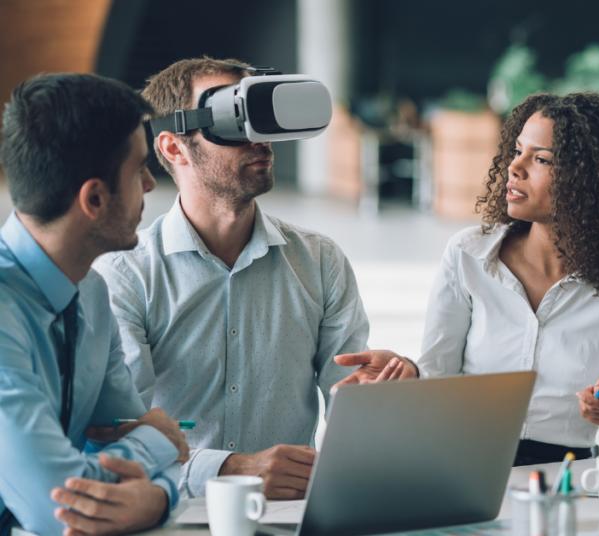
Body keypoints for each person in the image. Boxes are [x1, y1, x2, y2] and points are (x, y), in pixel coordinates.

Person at [93, 58, 412, 500]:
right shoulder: (126, 276)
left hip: (292, 512)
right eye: (231, 119)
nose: (258, 139)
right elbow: (118, 430)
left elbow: (350, 405)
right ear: (173, 148)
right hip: (176, 514)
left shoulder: (320, 261)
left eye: (259, 118)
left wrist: (384, 394)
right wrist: (229, 470)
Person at [336, 93, 599, 465]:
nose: (515, 167)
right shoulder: (469, 255)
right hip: (461, 459)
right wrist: (408, 374)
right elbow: (438, 377)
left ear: (593, 181)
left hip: (566, 471)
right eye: (517, 151)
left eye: (541, 159)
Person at [0, 73, 189, 536]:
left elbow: (122, 441)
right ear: (96, 198)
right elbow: (59, 505)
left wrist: (159, 499)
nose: (149, 184)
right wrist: (155, 443)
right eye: (139, 169)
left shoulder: (90, 292)